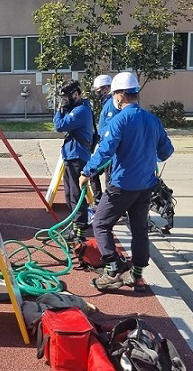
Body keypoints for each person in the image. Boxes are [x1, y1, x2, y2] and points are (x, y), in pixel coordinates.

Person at [79, 72, 174, 292]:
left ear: (120, 95)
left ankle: (112, 269)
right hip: (146, 185)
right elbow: (166, 151)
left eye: (114, 94)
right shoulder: (152, 119)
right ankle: (137, 276)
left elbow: (105, 150)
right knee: (139, 229)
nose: (113, 98)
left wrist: (86, 172)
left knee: (101, 223)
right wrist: (147, 154)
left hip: (122, 184)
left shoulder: (120, 119)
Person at [53, 79, 95, 242]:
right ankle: (75, 227)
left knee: (76, 196)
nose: (64, 101)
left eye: (66, 98)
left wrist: (59, 110)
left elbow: (59, 126)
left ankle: (80, 231)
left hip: (78, 156)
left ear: (76, 94)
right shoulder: (77, 109)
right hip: (71, 155)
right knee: (70, 195)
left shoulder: (81, 111)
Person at [89, 74, 113, 203]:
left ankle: (109, 206)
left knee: (109, 181)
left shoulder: (111, 104)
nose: (96, 94)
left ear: (106, 89)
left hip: (109, 151)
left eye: (98, 91)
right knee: (94, 174)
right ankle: (99, 201)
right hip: (105, 147)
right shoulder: (107, 104)